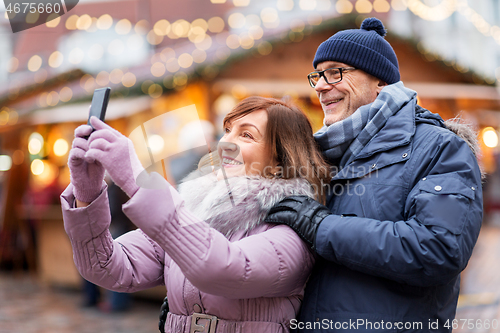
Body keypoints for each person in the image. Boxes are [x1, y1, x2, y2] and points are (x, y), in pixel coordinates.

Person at [265, 17, 483, 332]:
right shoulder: (320, 154)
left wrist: (321, 227)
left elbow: (438, 250)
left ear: (380, 81)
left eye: (336, 72)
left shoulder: (440, 148)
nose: (322, 85)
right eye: (318, 75)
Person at [61, 96, 331, 333]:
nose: (226, 142)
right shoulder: (194, 208)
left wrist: (136, 177)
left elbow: (222, 269)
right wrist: (87, 192)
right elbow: (107, 267)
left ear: (281, 159)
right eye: (227, 130)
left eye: (246, 135)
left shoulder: (295, 225)